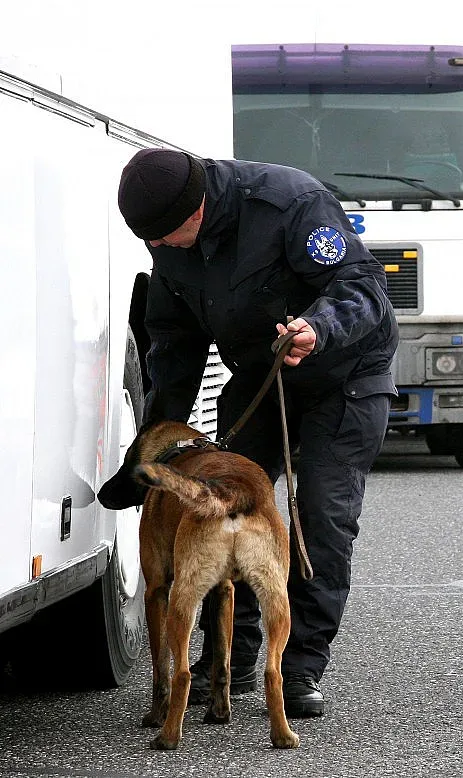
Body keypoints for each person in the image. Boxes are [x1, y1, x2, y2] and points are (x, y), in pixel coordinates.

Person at [115, 148, 399, 718]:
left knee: (320, 514)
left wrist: (317, 328)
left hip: (345, 374)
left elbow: (364, 288)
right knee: (225, 507)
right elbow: (174, 353)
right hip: (261, 377)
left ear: (196, 206)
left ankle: (297, 668)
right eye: (151, 241)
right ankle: (235, 658)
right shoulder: (169, 242)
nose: (162, 248)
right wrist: (151, 455)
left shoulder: (289, 203)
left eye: (168, 235)